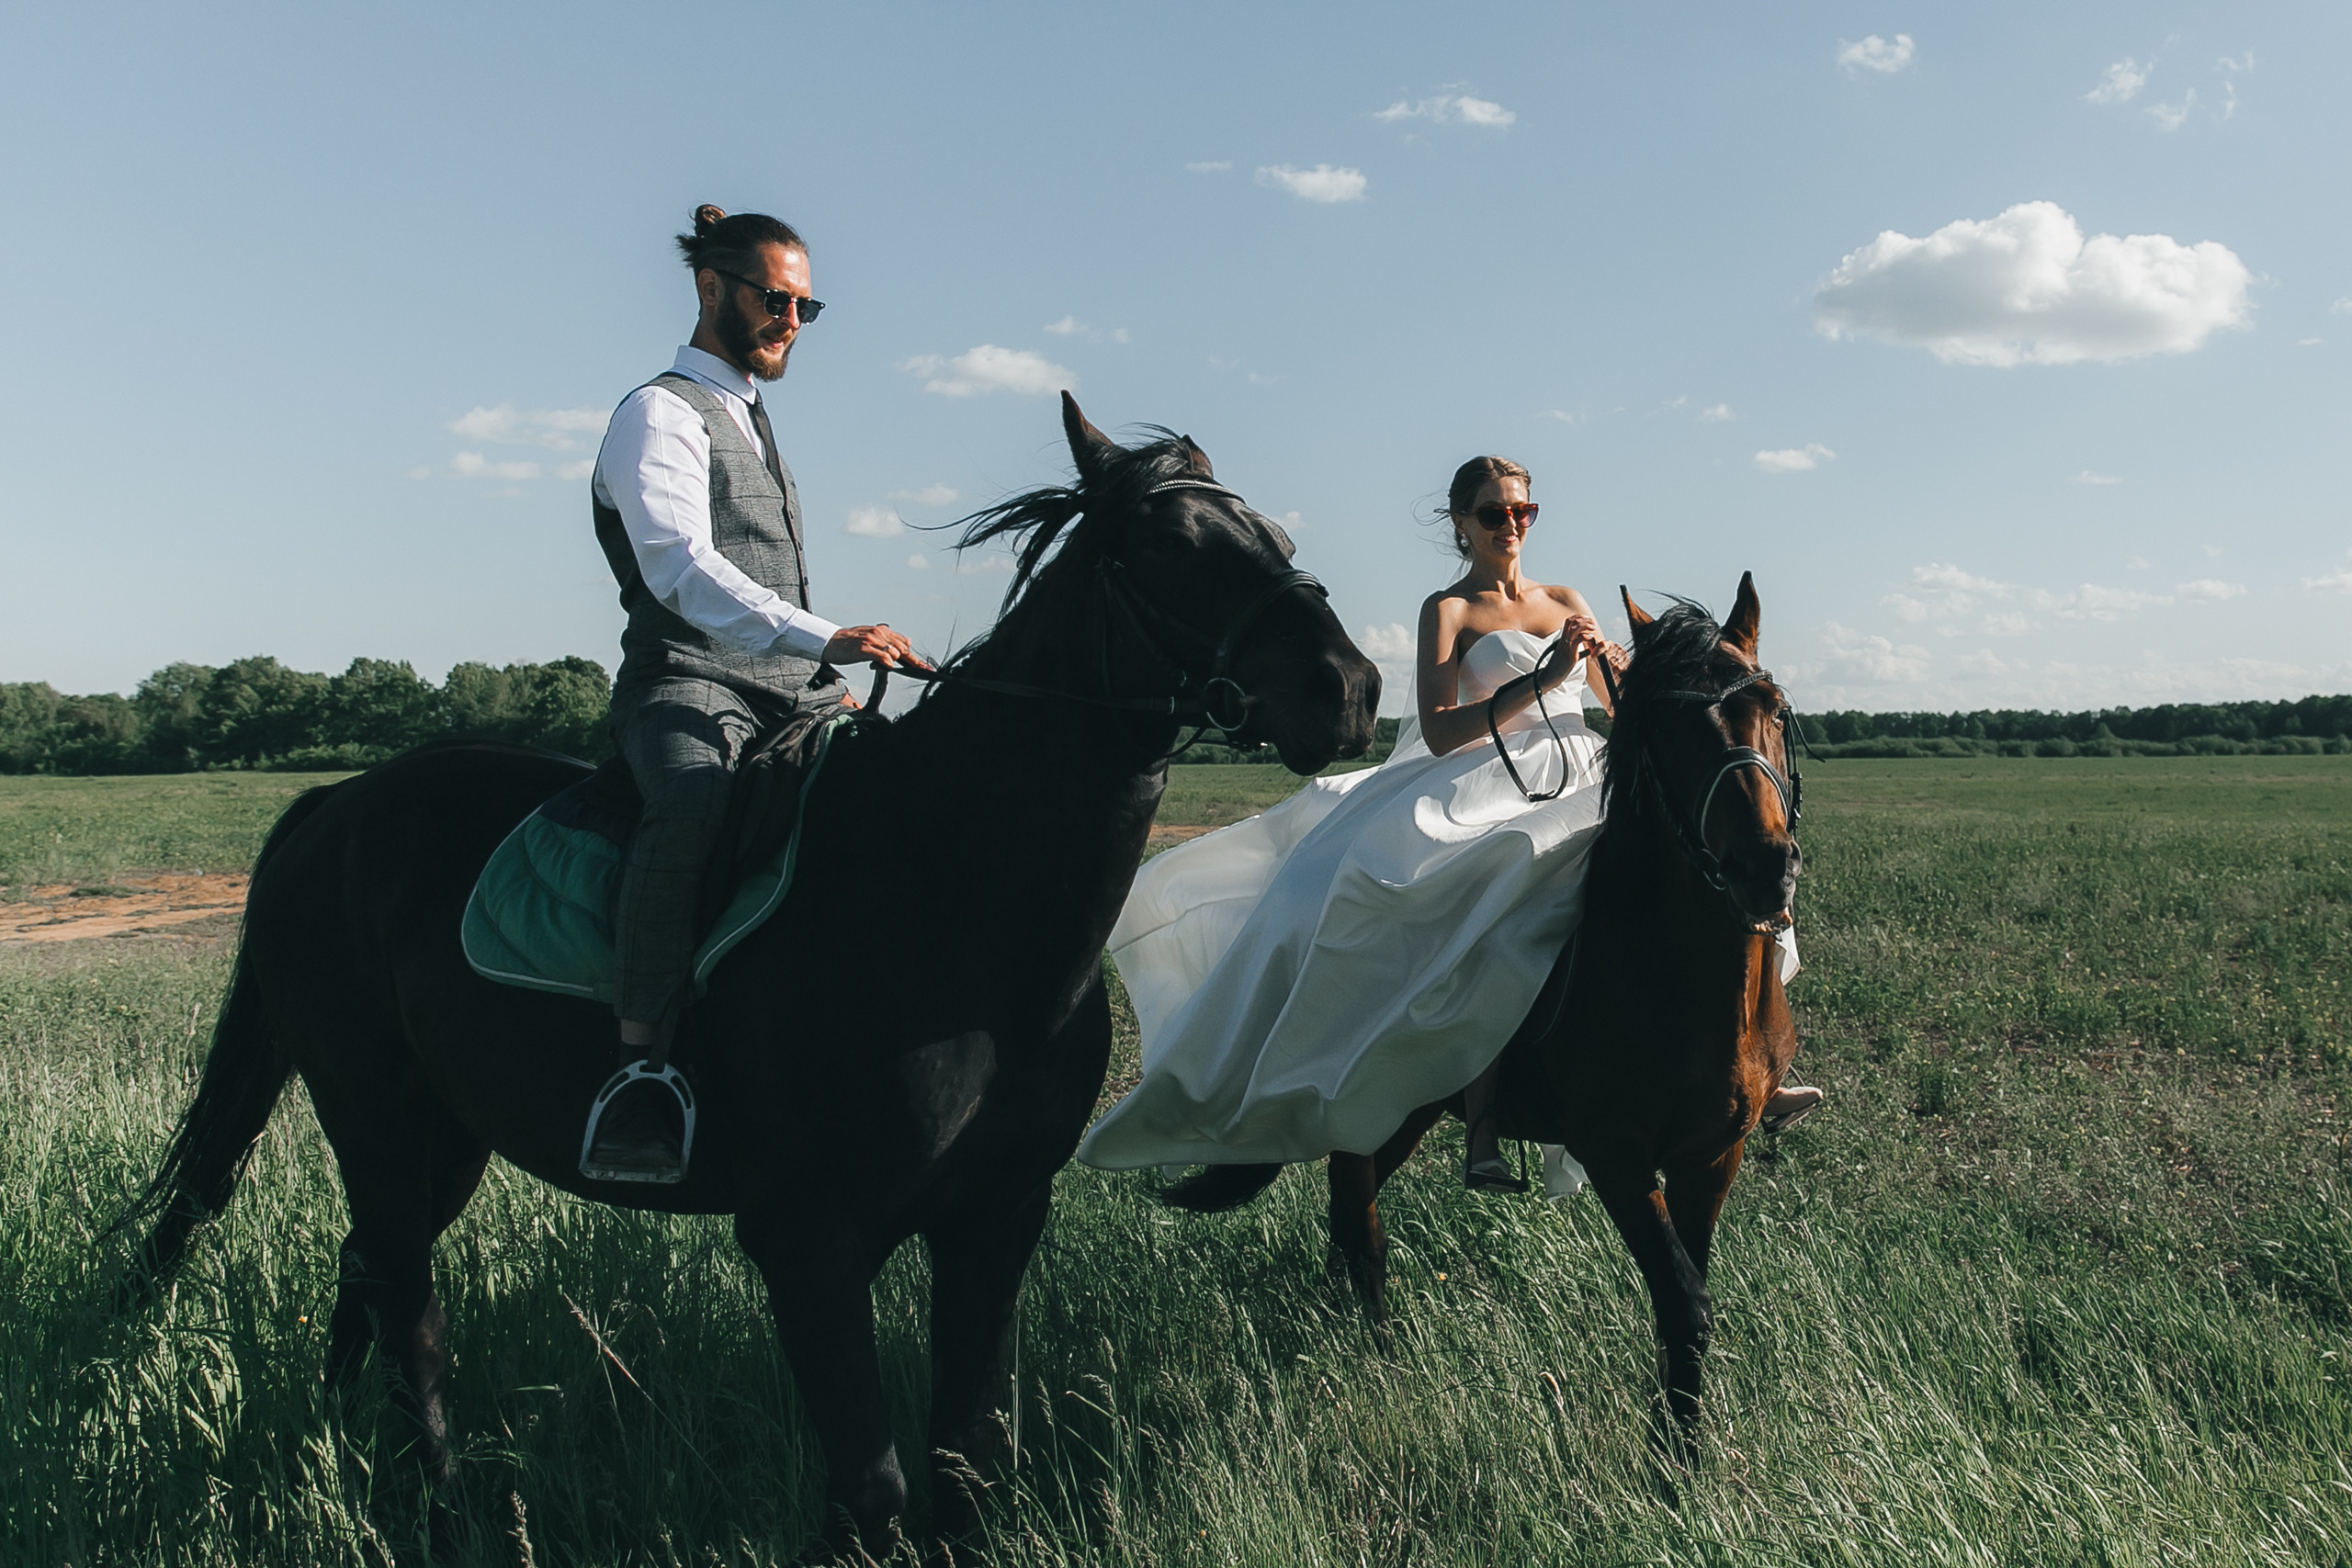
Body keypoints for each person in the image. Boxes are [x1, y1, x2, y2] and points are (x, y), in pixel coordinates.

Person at [1077, 457, 1811, 1194]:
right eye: (1494, 514)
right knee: (1489, 888)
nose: (1511, 526)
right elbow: (1437, 727)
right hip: (1487, 775)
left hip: (1583, 769)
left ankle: (1756, 1062)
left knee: (1707, 854)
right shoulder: (1449, 610)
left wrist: (1623, 671)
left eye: (1523, 512)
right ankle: (1483, 1112)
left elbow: (1622, 714)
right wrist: (1541, 680)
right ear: (1461, 524)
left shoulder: (1566, 599)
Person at [581, 205, 921, 1180]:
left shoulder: (751, 419)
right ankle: (637, 1070)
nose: (793, 322)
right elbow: (680, 569)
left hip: (794, 691)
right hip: (685, 682)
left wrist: (824, 666)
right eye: (777, 300)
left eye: (807, 306)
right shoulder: (656, 414)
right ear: (711, 288)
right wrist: (829, 635)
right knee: (691, 803)